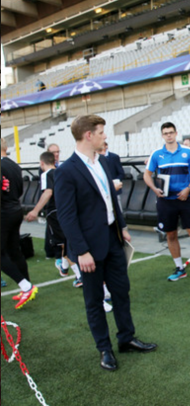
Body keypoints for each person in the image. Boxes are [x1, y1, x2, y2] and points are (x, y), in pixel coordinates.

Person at [55, 115, 157, 371]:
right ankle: (105, 349)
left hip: (112, 240)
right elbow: (66, 217)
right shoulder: (66, 171)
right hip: (89, 248)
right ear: (88, 135)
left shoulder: (102, 162)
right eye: (101, 132)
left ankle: (126, 338)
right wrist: (81, 251)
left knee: (121, 292)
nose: (105, 136)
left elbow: (110, 199)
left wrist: (122, 227)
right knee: (94, 300)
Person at [144, 122, 190, 281]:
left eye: (171, 132)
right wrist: (154, 189)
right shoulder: (157, 154)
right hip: (166, 201)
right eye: (166, 133)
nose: (169, 135)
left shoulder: (188, 152)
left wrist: (188, 189)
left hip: (186, 198)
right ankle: (179, 267)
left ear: (176, 133)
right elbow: (147, 174)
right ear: (162, 135)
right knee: (171, 234)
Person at [25, 152, 82, 282]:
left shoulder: (46, 174)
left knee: (63, 244)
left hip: (55, 212)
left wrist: (35, 211)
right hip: (68, 209)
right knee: (65, 241)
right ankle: (64, 268)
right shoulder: (62, 172)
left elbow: (48, 193)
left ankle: (80, 276)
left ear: (41, 163)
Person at [1, 138, 37, 309]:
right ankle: (27, 288)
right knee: (14, 251)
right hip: (16, 209)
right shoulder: (14, 165)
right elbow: (20, 189)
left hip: (4, 213)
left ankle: (26, 286)